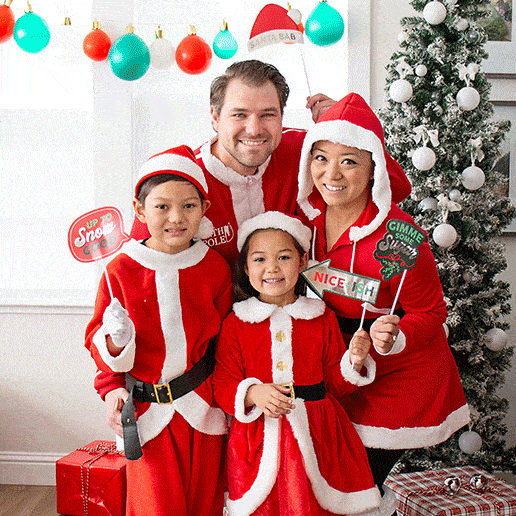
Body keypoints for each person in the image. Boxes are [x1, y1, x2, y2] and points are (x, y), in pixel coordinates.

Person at [296, 93, 470, 512]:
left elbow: (432, 312)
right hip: (344, 365)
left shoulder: (400, 236)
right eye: (320, 158)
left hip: (401, 374)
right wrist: (333, 112)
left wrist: (394, 336)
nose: (331, 174)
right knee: (332, 480)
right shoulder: (305, 221)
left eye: (349, 161)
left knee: (358, 488)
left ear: (374, 166)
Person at [130, 60, 412, 267]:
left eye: (267, 114)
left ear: (281, 116)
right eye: (239, 115)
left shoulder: (303, 151)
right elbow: (140, 266)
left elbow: (394, 187)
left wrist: (348, 129)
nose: (254, 130)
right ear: (215, 117)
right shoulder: (179, 179)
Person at [85, 145, 233, 516]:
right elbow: (97, 343)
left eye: (188, 206)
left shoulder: (214, 268)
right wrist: (112, 382)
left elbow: (224, 342)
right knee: (155, 506)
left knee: (205, 503)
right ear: (140, 210)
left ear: (204, 208)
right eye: (162, 206)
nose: (176, 218)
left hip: (203, 409)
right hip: (146, 414)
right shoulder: (119, 270)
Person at [212, 211, 384, 516]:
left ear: (303, 261)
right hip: (259, 438)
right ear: (246, 267)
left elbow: (335, 383)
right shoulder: (236, 323)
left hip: (319, 434)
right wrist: (253, 393)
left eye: (284, 257)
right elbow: (223, 384)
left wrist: (354, 360)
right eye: (260, 259)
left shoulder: (321, 316)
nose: (272, 268)